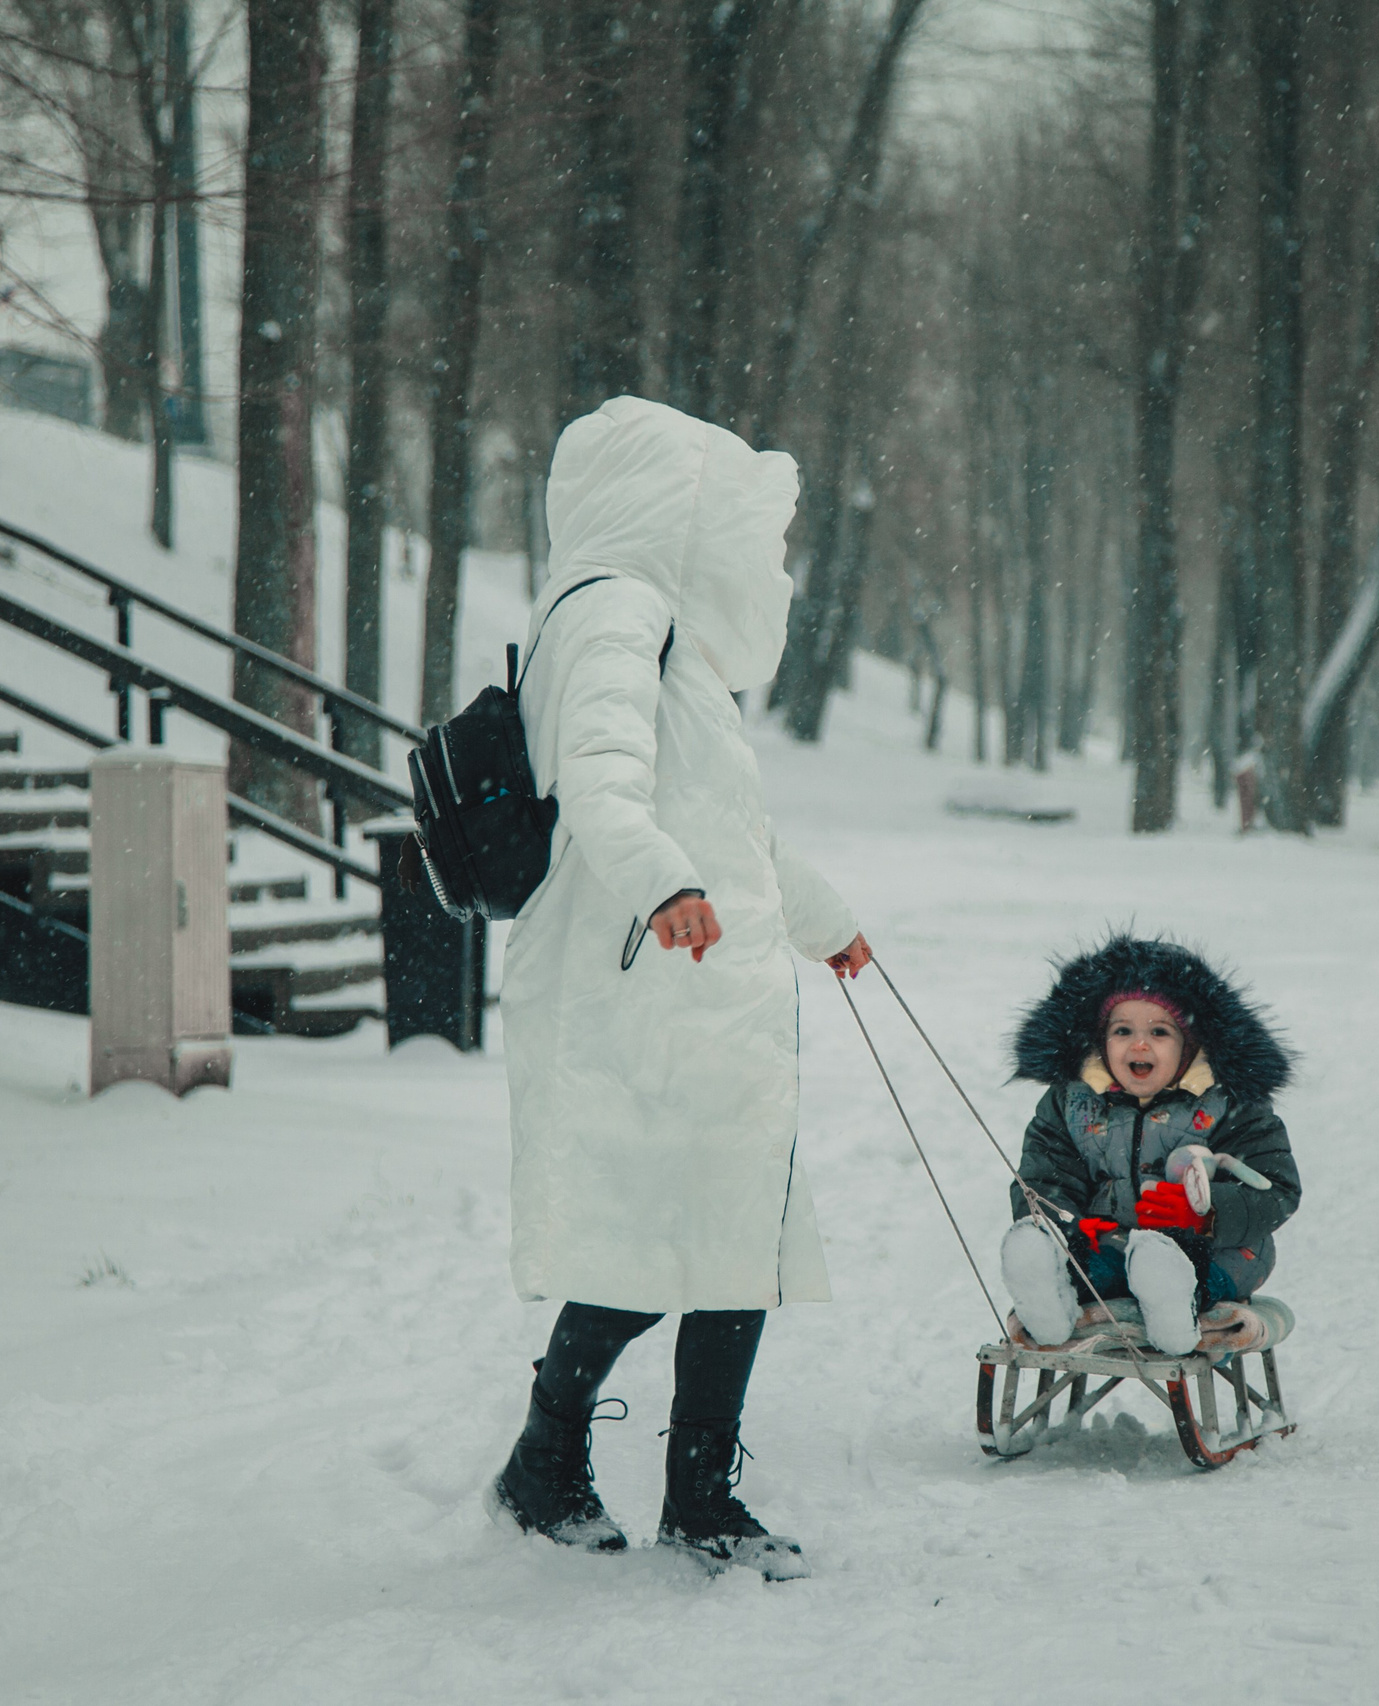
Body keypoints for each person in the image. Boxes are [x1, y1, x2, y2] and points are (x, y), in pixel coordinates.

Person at [490, 396, 869, 1581]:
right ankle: (544, 1461)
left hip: (709, 1001)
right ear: (671, 509)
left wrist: (828, 924)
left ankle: (701, 1492)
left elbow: (732, 830)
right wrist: (661, 886)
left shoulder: (663, 638)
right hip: (647, 998)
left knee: (727, 1245)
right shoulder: (611, 614)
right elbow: (604, 781)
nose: (762, 566)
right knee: (644, 1244)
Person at [997, 935, 1300, 1357]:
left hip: (1214, 1249)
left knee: (1218, 1266)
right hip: (1108, 1244)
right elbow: (1045, 1173)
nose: (1139, 1045)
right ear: (1100, 1041)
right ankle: (1051, 1296)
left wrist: (1208, 1214)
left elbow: (1276, 1191)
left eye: (1159, 1031)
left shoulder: (1229, 1103)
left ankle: (1178, 1307)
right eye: (1123, 1031)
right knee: (1083, 1265)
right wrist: (1065, 1227)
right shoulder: (1073, 1101)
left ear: (1191, 1043)